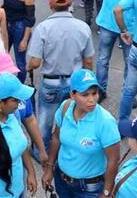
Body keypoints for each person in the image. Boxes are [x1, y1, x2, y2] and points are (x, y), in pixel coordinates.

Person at [26, 0, 95, 153]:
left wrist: (28, 67)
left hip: (51, 83)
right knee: (72, 119)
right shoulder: (83, 27)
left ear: (50, 5)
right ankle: (68, 150)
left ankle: (41, 152)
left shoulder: (43, 28)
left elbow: (35, 62)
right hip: (75, 83)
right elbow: (88, 61)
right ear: (70, 3)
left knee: (45, 122)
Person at [42, 69, 120, 198]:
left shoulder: (106, 122)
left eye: (94, 93)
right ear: (72, 95)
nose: (92, 100)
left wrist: (106, 192)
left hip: (90, 189)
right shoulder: (65, 108)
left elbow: (113, 160)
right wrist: (49, 168)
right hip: (61, 180)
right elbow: (56, 138)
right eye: (85, 95)